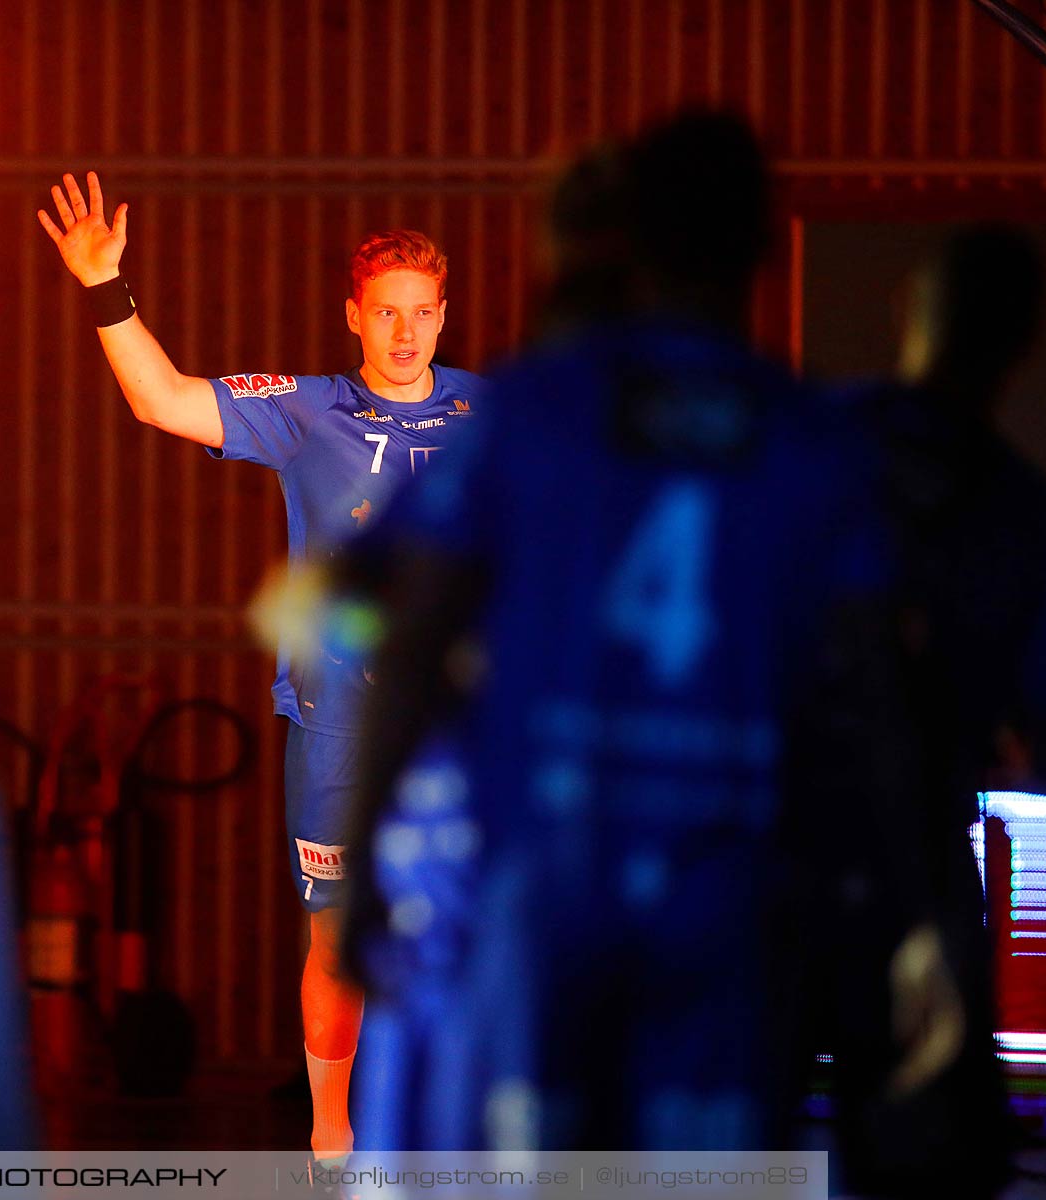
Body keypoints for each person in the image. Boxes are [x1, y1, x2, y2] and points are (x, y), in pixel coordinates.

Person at [340, 111, 959, 1152]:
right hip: (728, 909)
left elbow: (401, 638)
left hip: (543, 894)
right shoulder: (814, 441)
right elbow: (881, 710)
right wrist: (922, 934)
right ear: (766, 242)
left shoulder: (532, 407)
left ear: (631, 235)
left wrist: (365, 865)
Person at [37, 171, 483, 1164]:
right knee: (334, 940)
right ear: (355, 318)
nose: (406, 334)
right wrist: (106, 288)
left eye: (423, 314)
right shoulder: (308, 410)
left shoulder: (495, 417)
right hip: (335, 723)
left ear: (444, 316)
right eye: (387, 314)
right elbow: (159, 400)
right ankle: (335, 1140)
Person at [821, 225, 1046, 1196]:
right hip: (917, 891)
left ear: (906, 307)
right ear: (1026, 340)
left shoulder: (800, 444)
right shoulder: (1036, 520)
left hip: (757, 861)